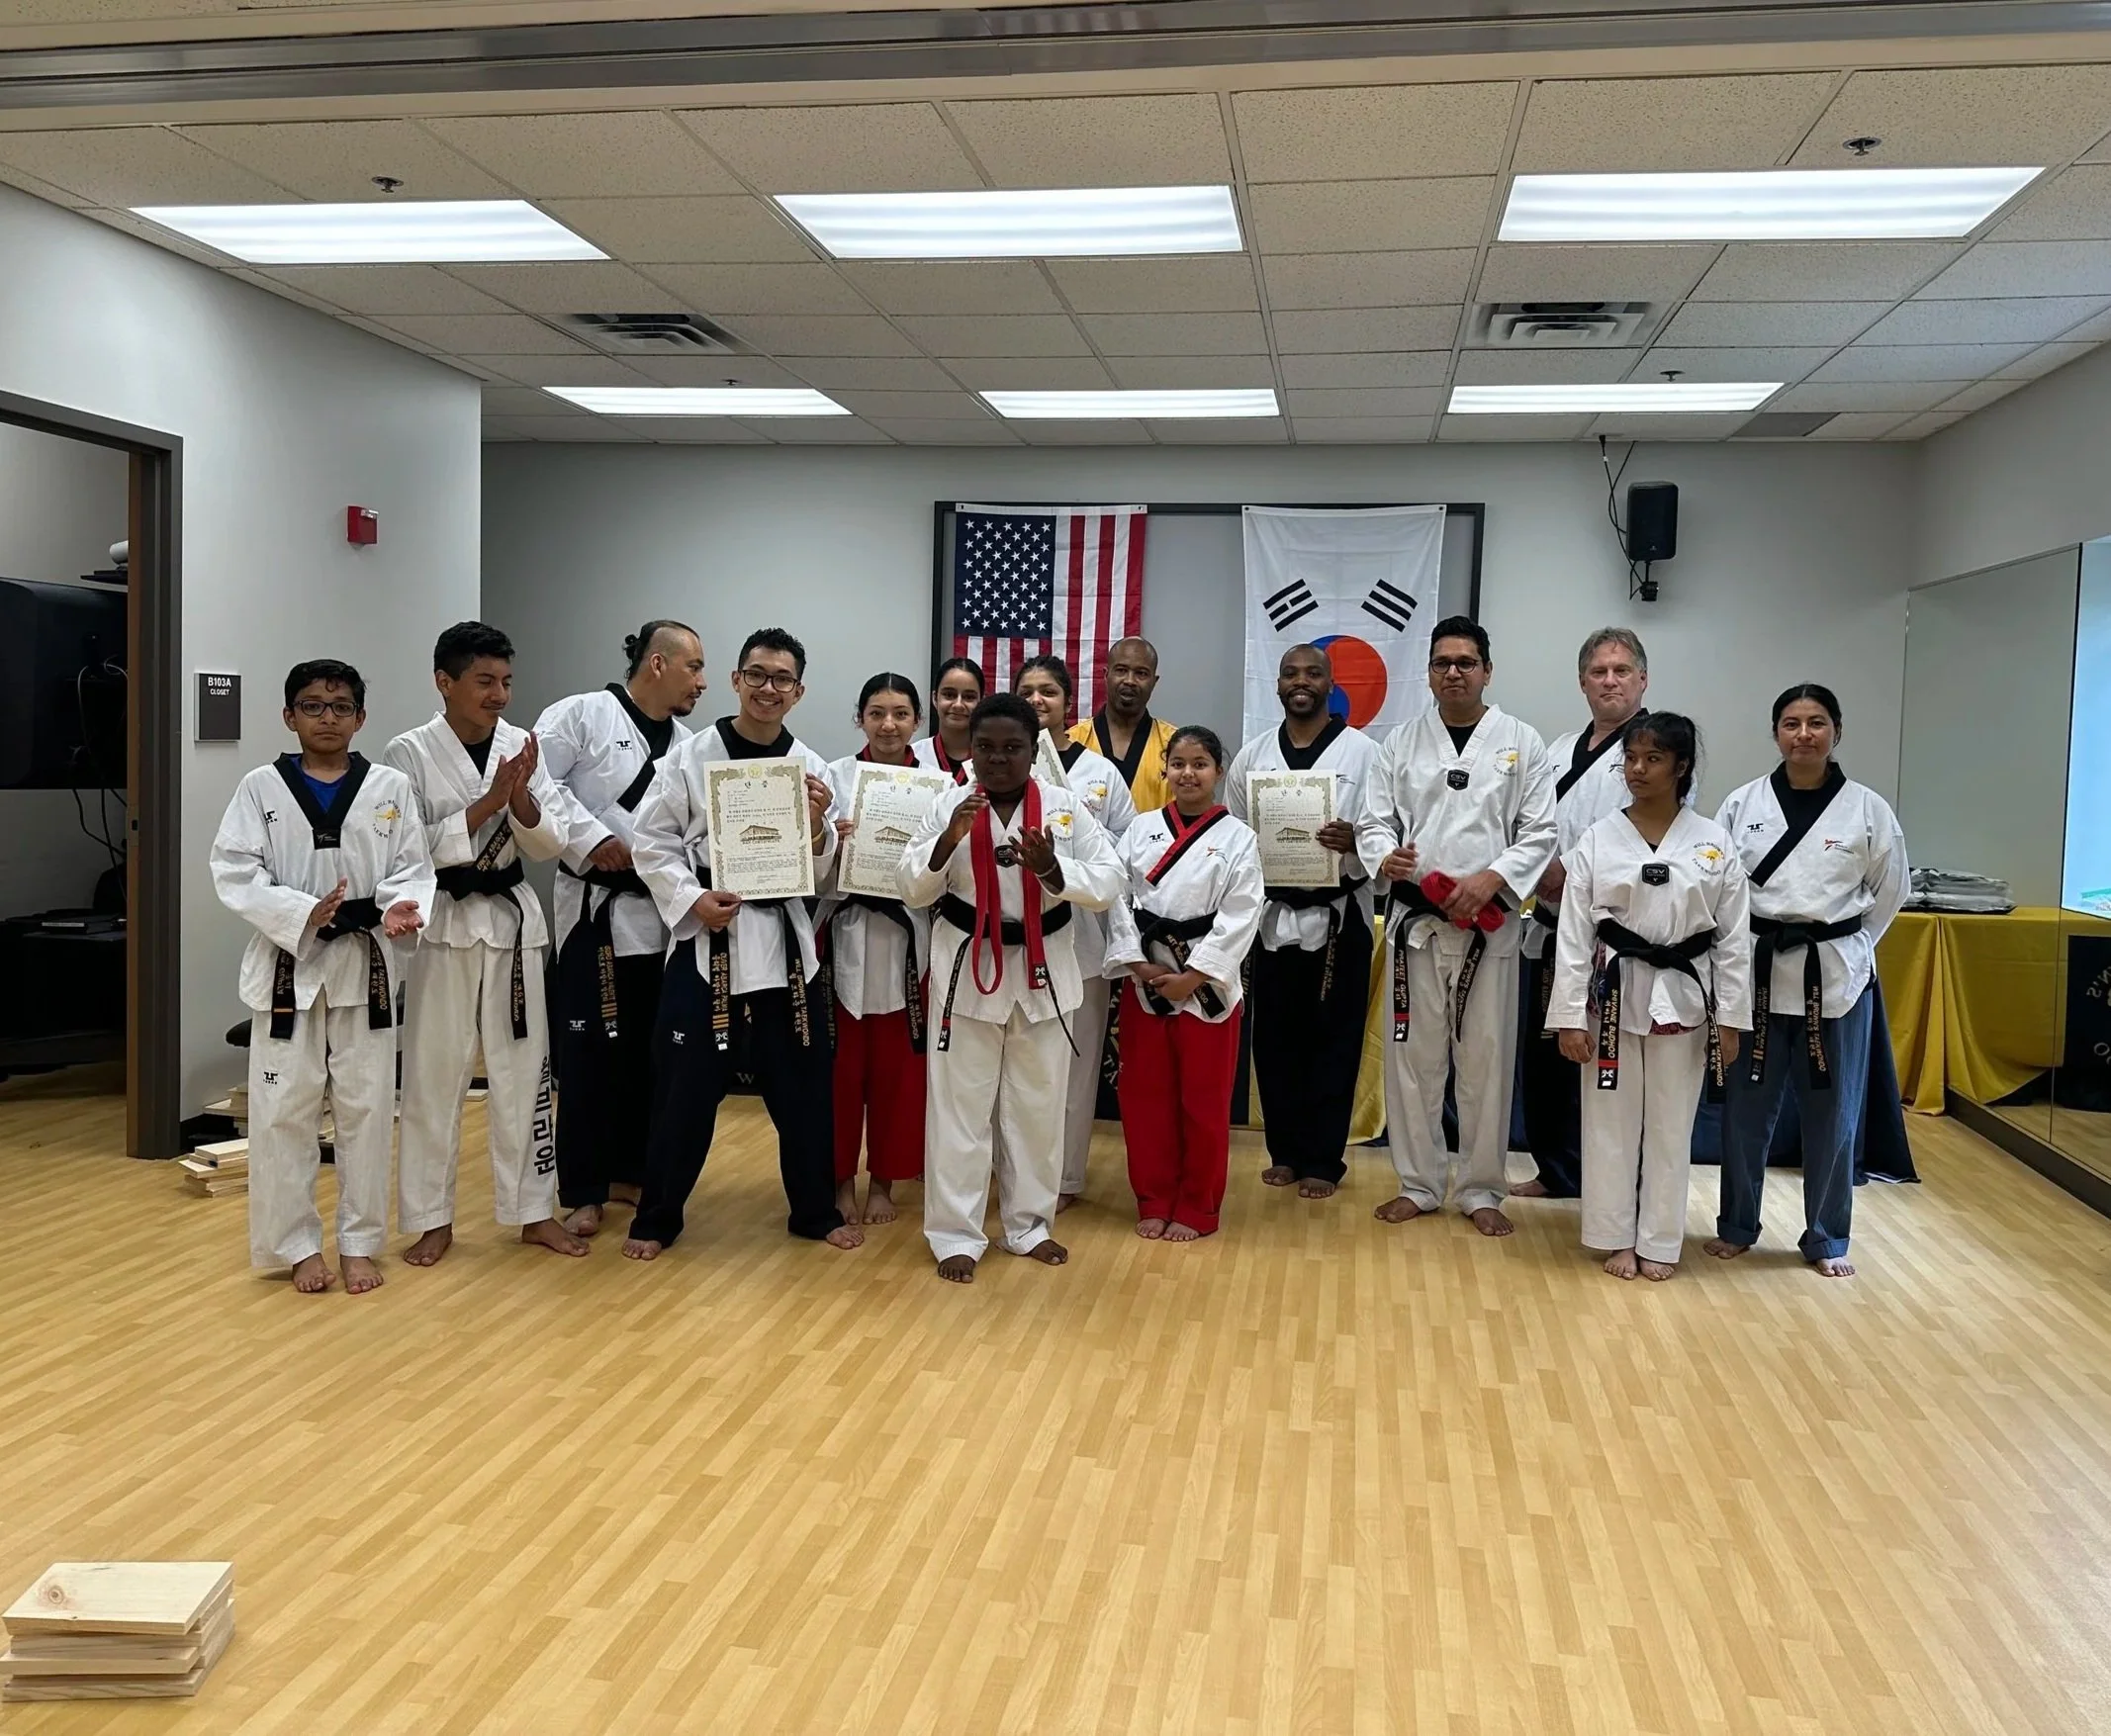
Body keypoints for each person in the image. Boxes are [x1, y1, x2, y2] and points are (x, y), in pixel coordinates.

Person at [623, 628, 860, 1258]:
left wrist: (816, 831)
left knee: (804, 1088)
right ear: (735, 680)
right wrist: (691, 900)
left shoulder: (811, 766)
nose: (767, 688)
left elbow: (825, 866)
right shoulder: (689, 756)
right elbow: (651, 843)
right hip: (709, 938)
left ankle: (813, 1210)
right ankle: (657, 1217)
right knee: (684, 1090)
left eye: (782, 678)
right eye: (756, 674)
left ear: (799, 691)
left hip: (784, 945)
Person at [211, 660, 434, 1295]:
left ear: (360, 718)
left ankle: (360, 1243)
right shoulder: (259, 787)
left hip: (365, 966)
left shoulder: (389, 786)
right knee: (283, 1113)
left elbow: (413, 867)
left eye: (340, 707)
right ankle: (298, 1248)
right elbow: (234, 870)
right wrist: (303, 912)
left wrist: (399, 908)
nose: (327, 717)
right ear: (289, 717)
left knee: (366, 1110)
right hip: (290, 966)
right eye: (312, 706)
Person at [901, 692, 1123, 1282]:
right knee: (959, 1110)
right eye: (986, 748)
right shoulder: (947, 804)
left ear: (1034, 750)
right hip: (965, 968)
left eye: (1012, 748)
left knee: (1037, 1109)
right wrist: (948, 840)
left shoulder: (1064, 808)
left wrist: (1053, 869)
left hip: (1045, 971)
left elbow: (1108, 883)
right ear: (970, 750)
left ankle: (1029, 1225)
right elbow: (911, 889)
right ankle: (955, 1233)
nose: (997, 760)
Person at [386, 622, 586, 1264]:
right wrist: (487, 801)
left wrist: (519, 795)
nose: (499, 694)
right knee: (431, 1075)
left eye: (506, 681)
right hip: (441, 921)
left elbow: (550, 842)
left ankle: (532, 1210)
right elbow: (405, 846)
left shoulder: (521, 744)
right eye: (484, 681)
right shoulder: (407, 753)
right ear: (445, 682)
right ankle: (431, 1219)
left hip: (511, 919)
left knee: (525, 1071)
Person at [1357, 616, 1556, 1236]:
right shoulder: (1401, 742)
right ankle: (1418, 1183)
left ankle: (1481, 1188)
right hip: (1418, 922)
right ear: (1430, 673)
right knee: (1411, 1059)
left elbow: (1540, 832)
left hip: (1488, 926)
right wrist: (1382, 856)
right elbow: (1373, 821)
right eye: (1442, 662)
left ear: (1487, 671)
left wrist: (1492, 879)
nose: (1453, 672)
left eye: (1466, 662)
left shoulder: (1522, 742)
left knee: (1486, 1061)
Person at [1707, 684, 1907, 1279]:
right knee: (1746, 1110)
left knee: (1834, 1115)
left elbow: (1889, 893)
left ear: (1836, 731)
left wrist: (1852, 947)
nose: (1803, 735)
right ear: (1775, 734)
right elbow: (1719, 887)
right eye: (1791, 724)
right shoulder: (1743, 805)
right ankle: (1738, 1225)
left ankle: (1825, 1235)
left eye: (1816, 723)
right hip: (1757, 973)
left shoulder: (1868, 811)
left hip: (1835, 981)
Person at [1546, 713, 1751, 1280]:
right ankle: (1614, 1235)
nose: (1637, 769)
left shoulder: (1713, 841)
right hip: (1612, 993)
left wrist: (1730, 1020)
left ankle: (1659, 1240)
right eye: (1630, 759)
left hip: (1685, 997)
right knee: (1608, 1121)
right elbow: (1573, 933)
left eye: (1653, 759)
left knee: (1670, 1125)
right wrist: (1568, 1016)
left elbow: (1733, 939)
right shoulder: (1598, 837)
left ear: (1681, 767)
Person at [533, 620, 704, 1238]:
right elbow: (535, 782)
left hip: (662, 919)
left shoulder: (689, 743)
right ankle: (583, 1187)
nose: (702, 682)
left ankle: (632, 1173)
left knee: (649, 1055)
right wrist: (591, 838)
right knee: (587, 1057)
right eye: (694, 668)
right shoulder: (579, 716)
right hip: (593, 913)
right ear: (657, 664)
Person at [1225, 644, 1382, 1200]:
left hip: (1341, 917)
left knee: (1334, 1040)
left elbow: (1385, 833)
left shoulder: (1366, 754)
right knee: (1275, 1039)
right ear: (1277, 684)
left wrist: (1357, 843)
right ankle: (1285, 1151)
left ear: (1330, 683)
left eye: (1313, 673)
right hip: (1272, 918)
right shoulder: (1252, 756)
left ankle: (1324, 1158)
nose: (1301, 681)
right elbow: (1235, 839)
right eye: (1290, 673)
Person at [1105, 726, 1263, 1240]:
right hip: (1146, 978)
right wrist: (1138, 965)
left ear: (1219, 772)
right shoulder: (1141, 828)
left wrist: (1195, 974)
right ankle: (1152, 1196)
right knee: (1145, 1097)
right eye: (1178, 763)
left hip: (1209, 988)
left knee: (1204, 1101)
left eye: (1200, 764)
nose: (1188, 773)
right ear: (1164, 770)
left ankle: (1198, 1205)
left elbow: (1242, 913)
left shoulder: (1239, 837)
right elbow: (1117, 900)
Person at [1516, 627, 1658, 1202]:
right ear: (1582, 682)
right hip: (1550, 925)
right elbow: (1528, 820)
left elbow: (1650, 830)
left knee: (1610, 1061)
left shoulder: (1654, 750)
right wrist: (1539, 868)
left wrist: (1569, 872)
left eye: (1622, 671)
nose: (1610, 681)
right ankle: (1556, 1170)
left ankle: (1614, 1181)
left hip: (1612, 932)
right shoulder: (1556, 750)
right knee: (1549, 1056)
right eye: (1599, 672)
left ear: (1642, 679)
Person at [1015, 654, 1137, 1208]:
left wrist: (1071, 843)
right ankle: (1011, 1170)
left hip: (1081, 939)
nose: (1038, 701)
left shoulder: (1100, 774)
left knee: (1076, 1063)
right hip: (1013, 936)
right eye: (1027, 691)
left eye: (1049, 692)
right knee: (1016, 1065)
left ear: (1069, 703)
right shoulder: (997, 764)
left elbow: (1126, 857)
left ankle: (1063, 1177)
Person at [824, 672, 934, 1227]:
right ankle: (840, 1180)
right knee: (841, 1074)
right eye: (876, 713)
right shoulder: (834, 777)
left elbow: (947, 875)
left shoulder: (939, 786)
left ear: (917, 720)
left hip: (909, 944)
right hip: (844, 936)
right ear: (860, 718)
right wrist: (830, 844)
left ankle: (885, 1183)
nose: (888, 724)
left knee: (898, 1076)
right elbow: (810, 868)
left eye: (900, 713)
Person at [1067, 636, 1178, 811]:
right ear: (1106, 675)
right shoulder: (1072, 741)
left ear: (1154, 682)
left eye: (1141, 673)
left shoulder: (1174, 745)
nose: (1130, 681)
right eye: (1121, 670)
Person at [915, 656, 982, 786]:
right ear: (935, 698)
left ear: (981, 702)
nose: (958, 704)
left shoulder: (992, 758)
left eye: (969, 697)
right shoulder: (915, 756)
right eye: (949, 695)